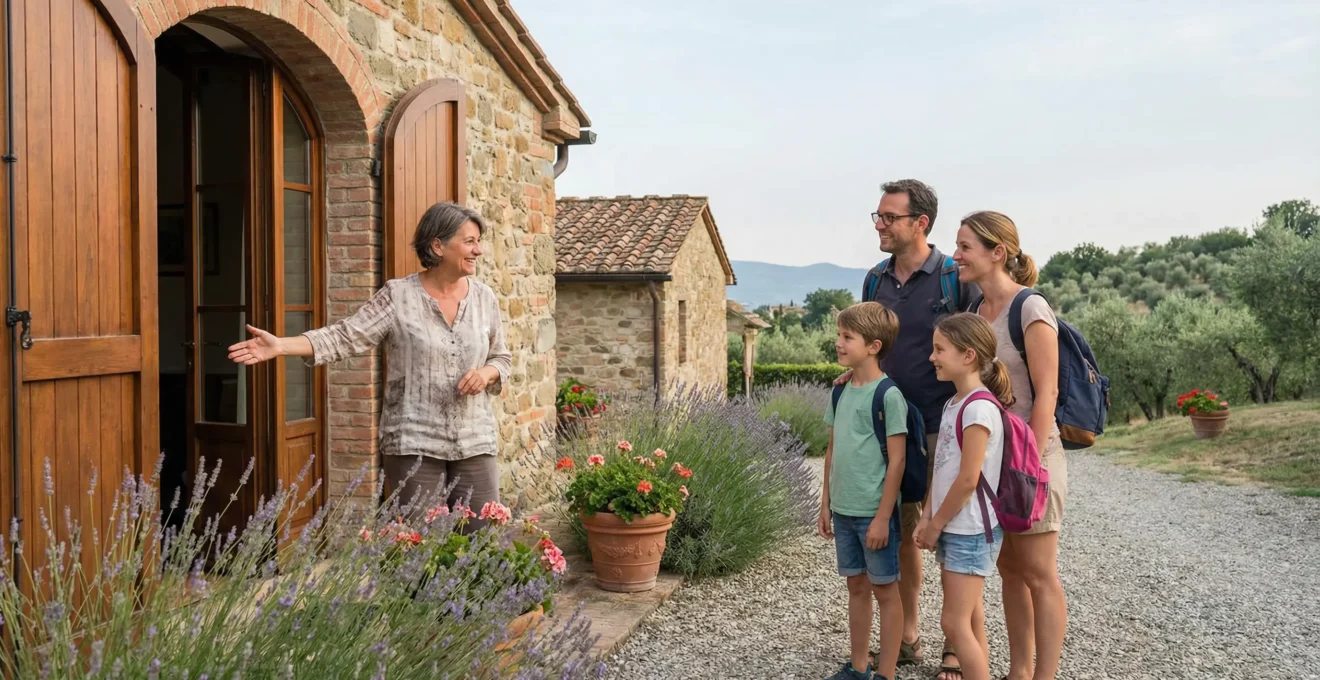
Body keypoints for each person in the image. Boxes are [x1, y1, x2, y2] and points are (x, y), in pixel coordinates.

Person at [226, 202, 512, 529]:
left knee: (483, 543)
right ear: (437, 245)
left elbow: (501, 358)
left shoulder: (484, 298)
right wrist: (280, 345)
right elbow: (348, 336)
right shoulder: (398, 296)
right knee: (419, 551)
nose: (479, 250)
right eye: (470, 241)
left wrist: (486, 373)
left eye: (478, 241)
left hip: (475, 441)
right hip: (413, 444)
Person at [838, 179, 977, 676]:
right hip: (889, 430)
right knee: (900, 533)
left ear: (920, 223)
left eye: (888, 217)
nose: (879, 224)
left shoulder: (954, 280)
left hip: (944, 427)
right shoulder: (874, 280)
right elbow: (870, 346)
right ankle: (911, 634)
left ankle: (958, 646)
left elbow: (976, 348)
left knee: (955, 537)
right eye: (877, 215)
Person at [952, 211, 1066, 680]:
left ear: (997, 253)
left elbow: (1048, 394)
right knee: (1010, 572)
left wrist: (1027, 465)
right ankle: (1019, 672)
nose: (955, 256)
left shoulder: (1031, 310)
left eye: (964, 248)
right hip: (994, 463)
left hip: (1030, 461)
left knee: (1039, 574)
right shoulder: (978, 314)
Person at [915, 313, 1013, 680]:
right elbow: (943, 470)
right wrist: (927, 516)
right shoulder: (954, 404)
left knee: (954, 624)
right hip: (956, 526)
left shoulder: (978, 408)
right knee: (970, 618)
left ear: (968, 355)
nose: (932, 357)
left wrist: (936, 524)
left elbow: (969, 478)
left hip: (970, 530)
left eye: (940, 349)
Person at [819, 302, 909, 680]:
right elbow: (832, 449)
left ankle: (886, 673)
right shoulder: (839, 392)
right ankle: (858, 668)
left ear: (873, 345)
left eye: (846, 337)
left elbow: (898, 461)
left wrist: (883, 518)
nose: (838, 343)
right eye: (839, 335)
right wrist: (825, 504)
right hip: (842, 511)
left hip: (875, 515)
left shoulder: (888, 396)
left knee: (886, 592)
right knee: (856, 587)